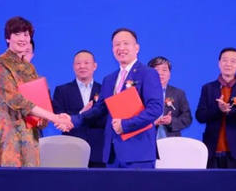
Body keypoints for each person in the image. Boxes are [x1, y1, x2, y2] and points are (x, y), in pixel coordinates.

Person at [68, 28, 163, 168]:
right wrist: (72, 119)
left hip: (138, 152)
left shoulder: (147, 73)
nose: (121, 48)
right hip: (112, 154)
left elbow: (155, 108)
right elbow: (100, 109)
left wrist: (125, 125)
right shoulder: (109, 79)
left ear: (137, 48)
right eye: (117, 44)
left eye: (126, 43)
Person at [0, 16, 69, 167]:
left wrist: (56, 117)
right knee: (7, 178)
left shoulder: (29, 68)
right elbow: (16, 100)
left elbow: (38, 99)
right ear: (8, 38)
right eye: (17, 34)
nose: (22, 38)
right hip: (6, 136)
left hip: (29, 135)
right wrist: (54, 117)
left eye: (26, 34)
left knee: (29, 178)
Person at [195, 47, 236, 168]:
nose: (228, 64)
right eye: (224, 60)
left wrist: (230, 111)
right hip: (212, 149)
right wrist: (219, 110)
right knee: (211, 180)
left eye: (233, 61)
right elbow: (200, 116)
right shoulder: (208, 88)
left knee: (234, 181)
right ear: (219, 63)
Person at [52, 50, 106, 167]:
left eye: (86, 63)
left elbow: (105, 119)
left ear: (95, 66)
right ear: (73, 66)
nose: (82, 66)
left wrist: (82, 117)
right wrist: (81, 113)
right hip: (71, 148)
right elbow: (60, 118)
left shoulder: (104, 90)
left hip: (98, 150)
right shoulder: (61, 90)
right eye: (78, 63)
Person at [147, 56, 192, 138]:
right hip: (147, 138)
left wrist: (171, 121)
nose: (160, 73)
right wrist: (152, 123)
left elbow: (187, 118)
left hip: (171, 139)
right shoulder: (142, 93)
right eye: (156, 70)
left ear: (169, 74)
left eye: (164, 70)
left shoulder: (178, 93)